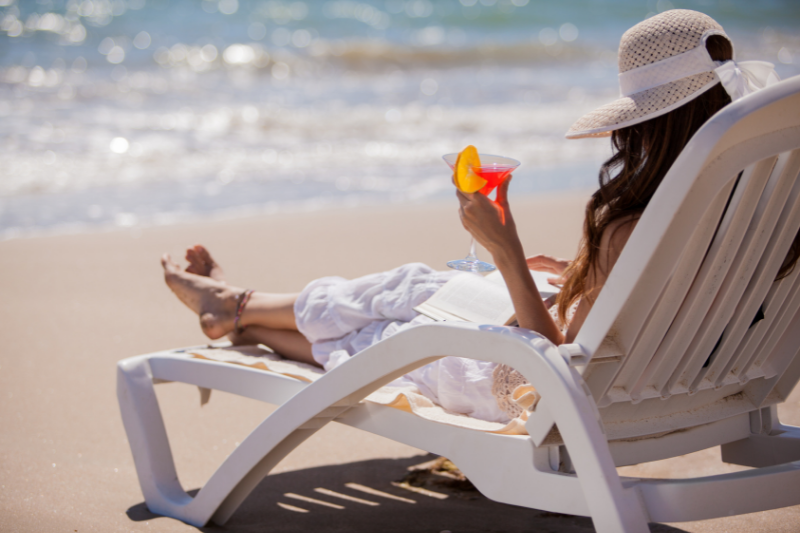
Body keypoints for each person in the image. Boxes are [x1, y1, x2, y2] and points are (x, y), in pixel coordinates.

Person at [161, 10, 784, 424]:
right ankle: (237, 309)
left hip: (535, 389)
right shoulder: (761, 205)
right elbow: (680, 294)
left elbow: (557, 359)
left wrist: (506, 252)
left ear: (650, 124)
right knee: (414, 285)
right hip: (677, 382)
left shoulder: (631, 226)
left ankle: (240, 315)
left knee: (382, 338)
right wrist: (582, 273)